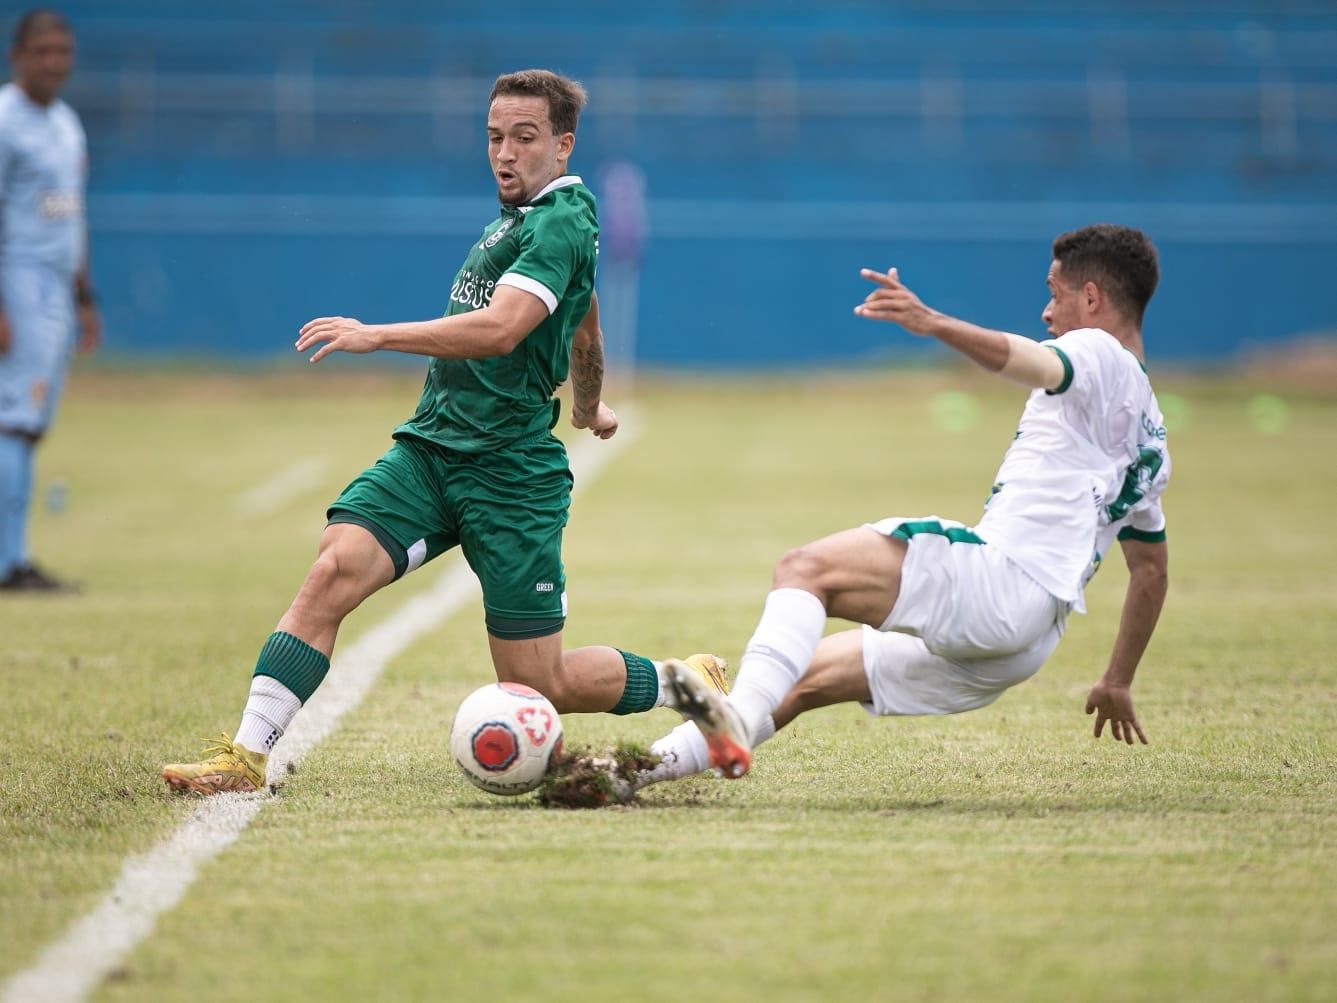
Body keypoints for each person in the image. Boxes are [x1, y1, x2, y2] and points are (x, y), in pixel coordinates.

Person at [162, 69, 726, 795]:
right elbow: (583, 324)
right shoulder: (522, 218)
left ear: (562, 144)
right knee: (334, 567)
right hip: (431, 449)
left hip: (509, 474)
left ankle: (688, 681)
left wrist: (376, 334)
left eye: (524, 138)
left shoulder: (559, 221)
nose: (505, 154)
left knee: (537, 679)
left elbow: (500, 330)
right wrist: (590, 406)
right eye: (494, 137)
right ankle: (245, 756)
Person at [636, 223, 1169, 793]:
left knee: (804, 569)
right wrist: (1117, 678)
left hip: (1002, 584)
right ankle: (625, 774)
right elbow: (1150, 571)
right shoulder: (1153, 434)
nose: (1046, 310)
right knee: (799, 680)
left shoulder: (1097, 352)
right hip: (1028, 640)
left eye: (1055, 292)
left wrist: (931, 322)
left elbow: (1034, 363)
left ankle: (729, 720)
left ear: (1091, 297)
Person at [0, 8, 100, 592]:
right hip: (19, 279)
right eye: (42, 51)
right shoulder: (6, 121)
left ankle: (14, 556)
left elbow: (72, 215)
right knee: (14, 419)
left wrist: (85, 297)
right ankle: (9, 563)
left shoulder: (65, 122)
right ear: (17, 57)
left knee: (29, 423)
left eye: (62, 51)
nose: (54, 62)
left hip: (57, 288)